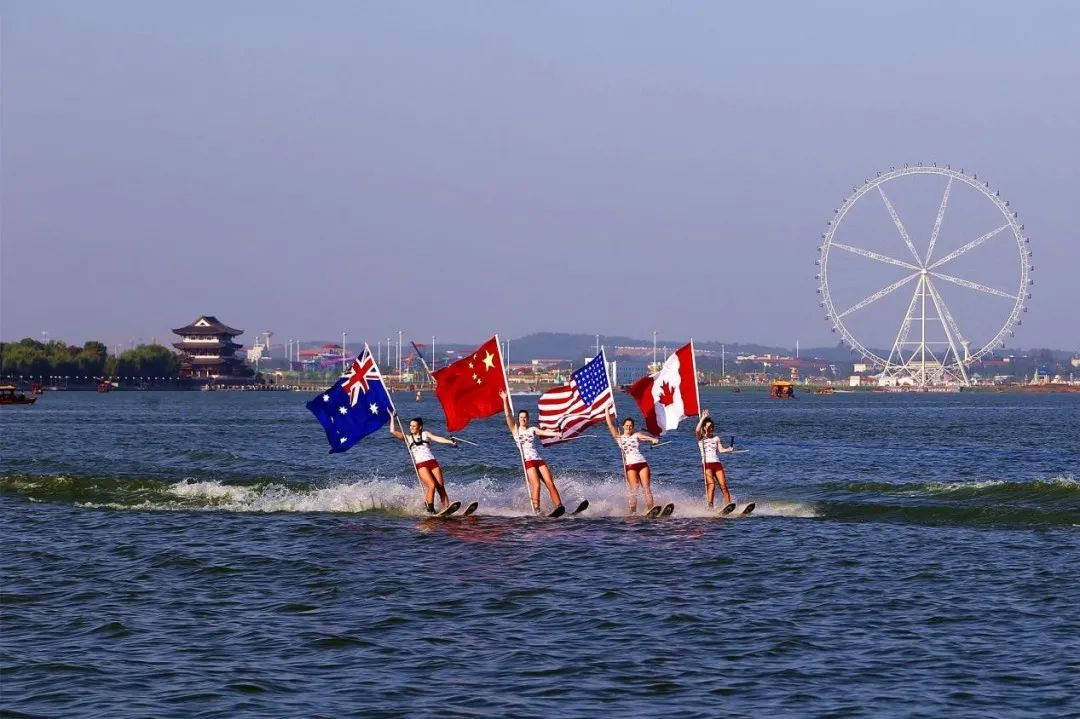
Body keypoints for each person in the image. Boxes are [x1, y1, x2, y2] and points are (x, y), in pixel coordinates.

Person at [499, 390, 564, 515]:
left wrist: (557, 433)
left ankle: (559, 506)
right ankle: (537, 510)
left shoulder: (532, 429)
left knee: (550, 483)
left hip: (538, 459)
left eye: (525, 417)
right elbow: (507, 415)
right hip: (528, 461)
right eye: (521, 417)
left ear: (528, 419)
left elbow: (545, 432)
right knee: (536, 485)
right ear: (518, 419)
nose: (523, 419)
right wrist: (504, 399)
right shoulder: (515, 429)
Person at [389, 413, 458, 514]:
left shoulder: (425, 434)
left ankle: (447, 508)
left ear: (419, 427)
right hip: (421, 465)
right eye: (410, 426)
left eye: (413, 426)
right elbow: (392, 431)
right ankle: (430, 510)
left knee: (441, 487)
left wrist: (450, 442)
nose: (411, 427)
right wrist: (392, 417)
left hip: (432, 462)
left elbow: (437, 438)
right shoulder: (408, 438)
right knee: (431, 485)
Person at [604, 406, 660, 514]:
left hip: (642, 463)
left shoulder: (636, 435)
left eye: (630, 426)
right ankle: (633, 512)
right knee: (634, 489)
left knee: (646, 488)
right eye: (627, 426)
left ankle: (651, 509)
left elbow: (644, 437)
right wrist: (606, 410)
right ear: (623, 426)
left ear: (633, 427)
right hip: (630, 466)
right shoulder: (619, 437)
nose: (629, 428)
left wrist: (653, 439)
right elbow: (610, 425)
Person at [695, 409, 734, 509]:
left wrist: (728, 449)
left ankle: (728, 505)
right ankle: (710, 507)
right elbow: (697, 430)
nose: (711, 429)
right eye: (709, 427)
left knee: (723, 485)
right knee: (711, 485)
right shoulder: (701, 438)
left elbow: (720, 450)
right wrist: (703, 418)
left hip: (717, 464)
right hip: (707, 464)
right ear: (704, 427)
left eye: (712, 427)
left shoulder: (716, 438)